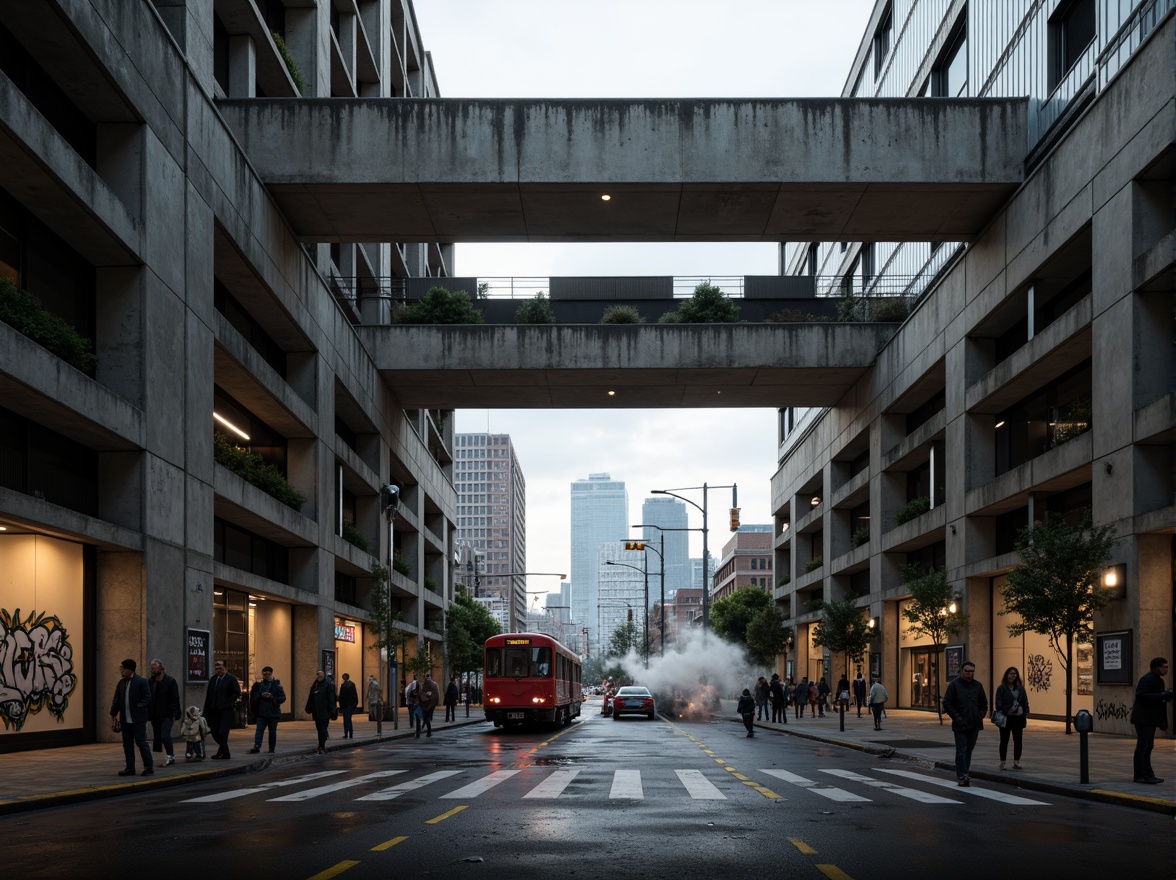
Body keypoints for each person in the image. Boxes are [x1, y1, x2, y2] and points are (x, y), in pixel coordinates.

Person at [942, 660, 987, 786]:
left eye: (971, 671)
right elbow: (947, 703)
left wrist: (980, 716)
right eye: (967, 671)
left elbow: (984, 703)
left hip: (974, 723)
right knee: (962, 749)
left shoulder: (977, 685)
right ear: (962, 671)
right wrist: (957, 718)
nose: (969, 674)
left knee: (969, 748)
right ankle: (962, 774)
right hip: (960, 724)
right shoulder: (954, 685)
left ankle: (965, 771)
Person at [1131, 656, 1172, 784]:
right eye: (1164, 667)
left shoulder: (1158, 680)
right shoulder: (1148, 679)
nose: (1166, 669)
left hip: (1150, 719)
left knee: (1147, 746)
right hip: (1144, 719)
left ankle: (1146, 773)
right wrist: (1161, 695)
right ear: (1156, 668)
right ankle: (1142, 774)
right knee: (1144, 746)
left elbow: (1160, 703)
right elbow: (1141, 695)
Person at [110, 659, 154, 776]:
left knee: (141, 742)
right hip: (125, 720)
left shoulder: (141, 681)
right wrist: (113, 713)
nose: (121, 671)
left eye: (123, 669)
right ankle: (130, 768)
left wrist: (139, 705)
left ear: (129, 669)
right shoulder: (121, 683)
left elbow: (147, 698)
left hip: (138, 719)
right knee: (127, 744)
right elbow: (117, 700)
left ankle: (148, 766)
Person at [993, 666, 1030, 770]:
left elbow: (1025, 701)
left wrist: (1026, 712)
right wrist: (1010, 709)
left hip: (1018, 719)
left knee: (1018, 740)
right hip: (1006, 718)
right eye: (1010, 673)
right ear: (1006, 675)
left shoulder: (1020, 689)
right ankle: (1003, 761)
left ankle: (1016, 761)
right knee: (1004, 740)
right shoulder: (1001, 688)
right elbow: (998, 704)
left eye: (1014, 674)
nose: (1012, 676)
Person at [204, 659, 241, 760]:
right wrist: (205, 712)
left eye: (220, 667)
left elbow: (237, 693)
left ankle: (224, 753)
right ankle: (225, 751)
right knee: (214, 731)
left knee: (223, 733)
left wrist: (227, 702)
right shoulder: (213, 679)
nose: (218, 669)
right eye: (216, 667)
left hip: (225, 710)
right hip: (214, 710)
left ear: (225, 668)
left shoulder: (231, 679)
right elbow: (208, 696)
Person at [148, 659, 181, 766]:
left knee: (165, 736)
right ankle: (166, 755)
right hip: (155, 714)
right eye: (152, 668)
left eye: (155, 668)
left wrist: (175, 714)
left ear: (161, 669)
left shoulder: (170, 681)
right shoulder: (151, 682)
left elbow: (175, 698)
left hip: (167, 714)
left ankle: (171, 756)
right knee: (157, 736)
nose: (153, 670)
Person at [248, 666, 286, 754]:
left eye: (268, 674)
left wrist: (272, 697)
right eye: (265, 674)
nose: (266, 676)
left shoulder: (277, 685)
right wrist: (261, 695)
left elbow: (282, 698)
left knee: (272, 731)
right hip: (262, 712)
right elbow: (253, 697)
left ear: (271, 674)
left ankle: (271, 748)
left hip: (273, 712)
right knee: (259, 730)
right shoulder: (258, 685)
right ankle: (257, 746)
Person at [305, 670, 337, 754]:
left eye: (321, 676)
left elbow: (331, 699)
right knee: (319, 728)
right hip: (316, 711)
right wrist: (308, 708)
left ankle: (321, 745)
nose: (319, 677)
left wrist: (333, 711)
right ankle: (322, 742)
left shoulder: (327, 685)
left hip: (324, 711)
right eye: (318, 676)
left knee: (322, 728)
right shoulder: (315, 685)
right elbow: (311, 697)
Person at [419, 671, 441, 737]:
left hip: (431, 703)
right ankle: (427, 730)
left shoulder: (427, 683)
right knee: (427, 715)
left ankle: (428, 731)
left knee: (426, 715)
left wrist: (424, 698)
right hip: (433, 702)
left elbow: (423, 692)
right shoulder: (434, 683)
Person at [338, 672, 359, 739]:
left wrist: (340, 705)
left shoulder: (344, 685)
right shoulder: (352, 684)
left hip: (345, 705)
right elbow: (355, 695)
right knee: (348, 719)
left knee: (346, 719)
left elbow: (342, 697)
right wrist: (355, 704)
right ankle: (350, 733)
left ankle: (347, 733)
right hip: (350, 705)